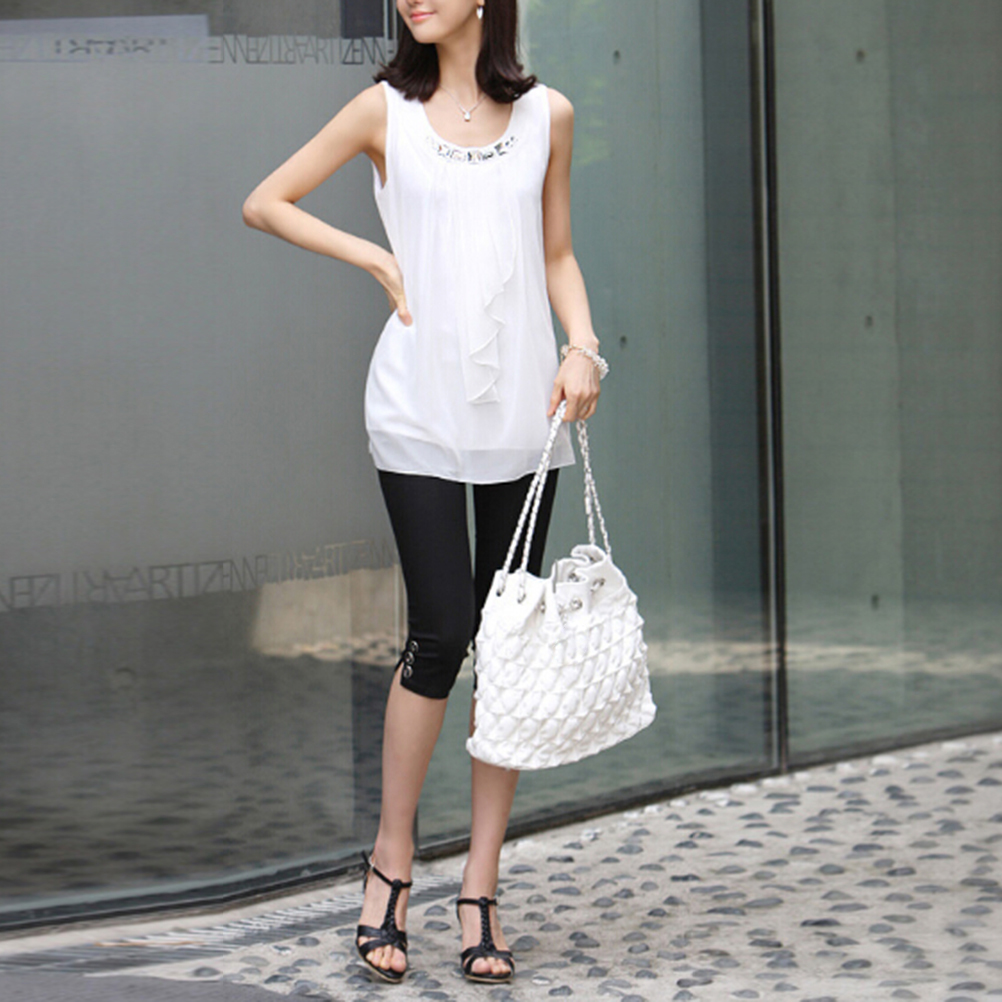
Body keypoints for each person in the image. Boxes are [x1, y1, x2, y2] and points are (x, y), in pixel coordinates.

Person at [242, 0, 606, 985]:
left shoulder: (548, 116)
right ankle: (391, 863)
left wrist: (582, 346)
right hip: (417, 406)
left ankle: (481, 886)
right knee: (441, 632)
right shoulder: (383, 112)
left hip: (525, 414)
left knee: (510, 645)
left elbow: (557, 253)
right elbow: (266, 201)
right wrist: (368, 253)